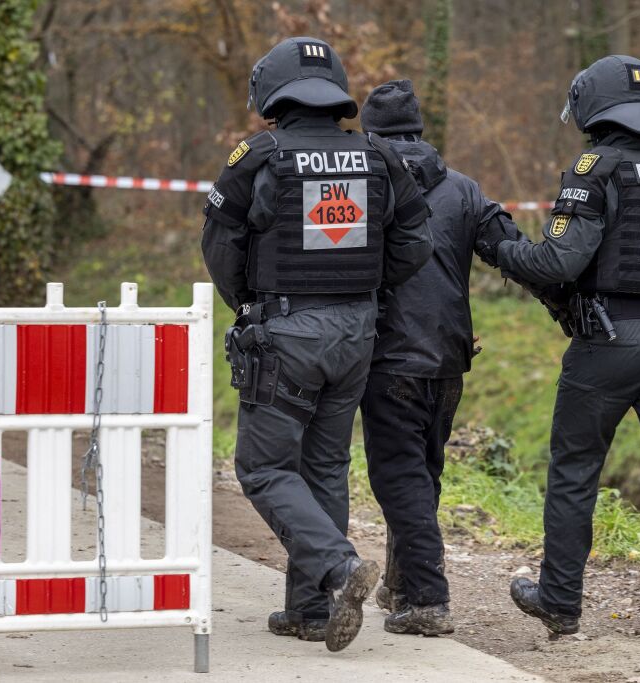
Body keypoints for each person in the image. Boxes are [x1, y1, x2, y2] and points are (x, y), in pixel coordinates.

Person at [200, 37, 432, 652]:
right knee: (323, 466)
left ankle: (338, 568)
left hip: (288, 335)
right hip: (356, 333)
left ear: (272, 93)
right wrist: (368, 289)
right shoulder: (376, 154)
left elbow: (219, 248)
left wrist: (249, 305)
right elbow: (416, 241)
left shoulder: (258, 154)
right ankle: (309, 610)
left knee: (263, 466)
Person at [487, 55, 640, 644]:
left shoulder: (595, 168)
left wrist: (498, 246)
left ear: (593, 107)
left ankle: (560, 602)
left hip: (609, 342)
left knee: (574, 471)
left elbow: (559, 261)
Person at [356, 80, 529, 636]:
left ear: (370, 134)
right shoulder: (464, 190)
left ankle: (428, 600)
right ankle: (403, 586)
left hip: (389, 355)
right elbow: (513, 252)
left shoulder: (364, 185)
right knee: (422, 472)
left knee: (398, 474)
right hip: (450, 357)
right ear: (419, 130)